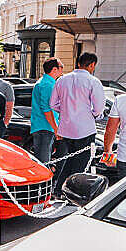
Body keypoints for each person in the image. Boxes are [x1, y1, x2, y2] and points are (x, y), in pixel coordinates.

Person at [50, 51, 105, 191]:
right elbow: (99, 108)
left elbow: (52, 104)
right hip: (85, 128)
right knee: (82, 162)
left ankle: (59, 189)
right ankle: (73, 191)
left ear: (78, 63)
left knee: (69, 159)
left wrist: (65, 111)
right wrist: (93, 115)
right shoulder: (93, 81)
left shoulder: (62, 80)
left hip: (66, 127)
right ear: (92, 65)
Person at [30, 57, 63, 164]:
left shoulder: (45, 82)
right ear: (54, 69)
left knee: (43, 160)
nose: (62, 70)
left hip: (42, 126)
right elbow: (47, 109)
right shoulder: (47, 85)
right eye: (61, 67)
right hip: (45, 127)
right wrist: (56, 128)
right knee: (43, 162)